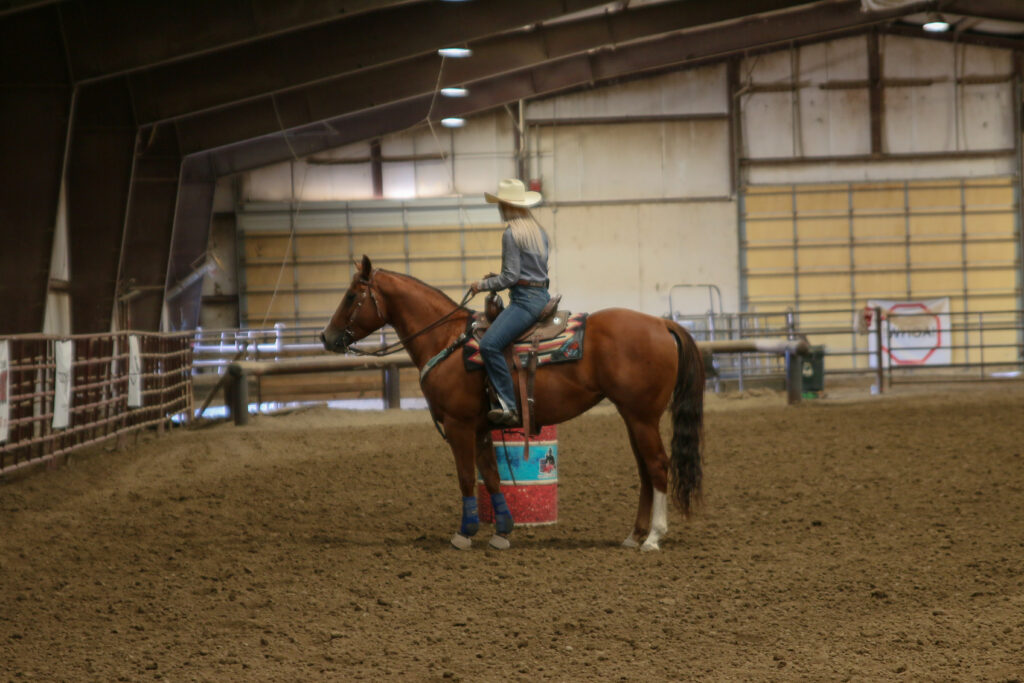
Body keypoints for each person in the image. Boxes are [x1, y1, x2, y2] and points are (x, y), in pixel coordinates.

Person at [470, 178, 551, 427]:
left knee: (490, 345)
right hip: (541, 296)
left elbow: (511, 277)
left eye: (501, 205)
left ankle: (508, 405)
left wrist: (482, 285)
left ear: (507, 206)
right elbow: (527, 273)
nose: (499, 209)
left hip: (525, 302)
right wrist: (500, 278)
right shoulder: (538, 232)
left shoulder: (511, 234)